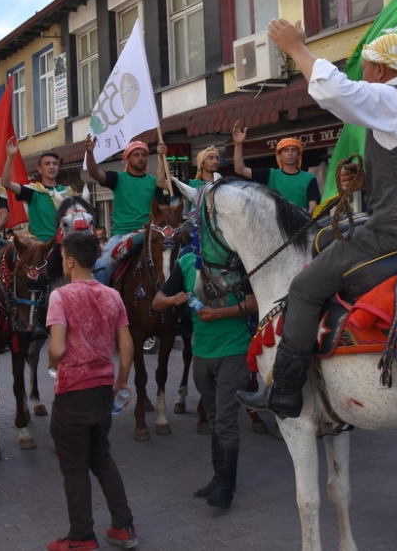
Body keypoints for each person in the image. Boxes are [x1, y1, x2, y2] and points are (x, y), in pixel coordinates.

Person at [236, 22, 397, 418]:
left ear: (379, 69)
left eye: (365, 66)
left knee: (306, 285)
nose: (362, 73)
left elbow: (335, 90)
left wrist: (296, 49)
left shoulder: (393, 97)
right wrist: (367, 179)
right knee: (326, 237)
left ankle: (287, 390)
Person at [46, 231, 137, 550]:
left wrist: (49, 356)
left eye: (62, 257)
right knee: (101, 457)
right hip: (102, 390)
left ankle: (82, 536)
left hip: (72, 392)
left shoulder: (60, 296)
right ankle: (124, 526)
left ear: (70, 260)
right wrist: (121, 382)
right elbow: (126, 345)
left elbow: (57, 349)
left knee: (74, 467)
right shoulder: (112, 295)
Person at [152, 254, 258, 509]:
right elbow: (157, 302)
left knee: (225, 421)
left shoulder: (238, 259)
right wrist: (171, 299)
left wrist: (220, 314)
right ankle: (218, 477)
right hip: (201, 353)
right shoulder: (188, 261)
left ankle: (226, 487)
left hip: (234, 351)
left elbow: (254, 303)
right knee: (213, 418)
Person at [84, 136, 167, 285]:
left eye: (144, 155)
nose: (141, 158)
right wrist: (90, 153)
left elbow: (162, 211)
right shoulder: (117, 178)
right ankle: (101, 303)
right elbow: (94, 173)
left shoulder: (155, 182)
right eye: (136, 155)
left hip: (148, 233)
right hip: (121, 235)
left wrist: (162, 157)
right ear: (127, 158)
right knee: (102, 267)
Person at [232, 123, 320, 214]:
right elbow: (240, 169)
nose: (290, 154)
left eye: (293, 150)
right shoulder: (270, 175)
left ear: (298, 155)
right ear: (280, 156)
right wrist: (238, 144)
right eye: (286, 150)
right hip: (275, 225)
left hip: (301, 225)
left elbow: (313, 207)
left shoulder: (309, 178)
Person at [1, 138, 74, 241]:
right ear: (39, 169)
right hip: (40, 246)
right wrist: (10, 156)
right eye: (47, 164)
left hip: (64, 244)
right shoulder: (32, 191)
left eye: (55, 164)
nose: (52, 167)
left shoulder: (66, 192)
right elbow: (6, 183)